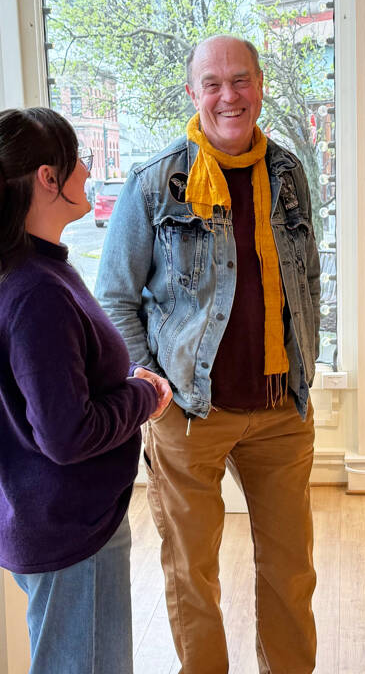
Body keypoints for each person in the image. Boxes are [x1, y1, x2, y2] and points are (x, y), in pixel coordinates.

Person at [95, 34, 320, 673]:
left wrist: (310, 364)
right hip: (189, 412)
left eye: (240, 81)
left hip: (281, 409)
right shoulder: (153, 183)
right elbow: (114, 296)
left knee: (291, 572)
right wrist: (153, 390)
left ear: (259, 85)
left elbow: (306, 278)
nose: (229, 96)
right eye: (213, 84)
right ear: (193, 94)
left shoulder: (286, 172)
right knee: (192, 575)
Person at [0, 107, 173, 674]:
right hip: (70, 534)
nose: (88, 171)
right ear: (47, 177)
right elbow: (67, 434)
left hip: (50, 524)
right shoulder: (35, 290)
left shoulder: (14, 271)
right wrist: (144, 395)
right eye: (78, 160)